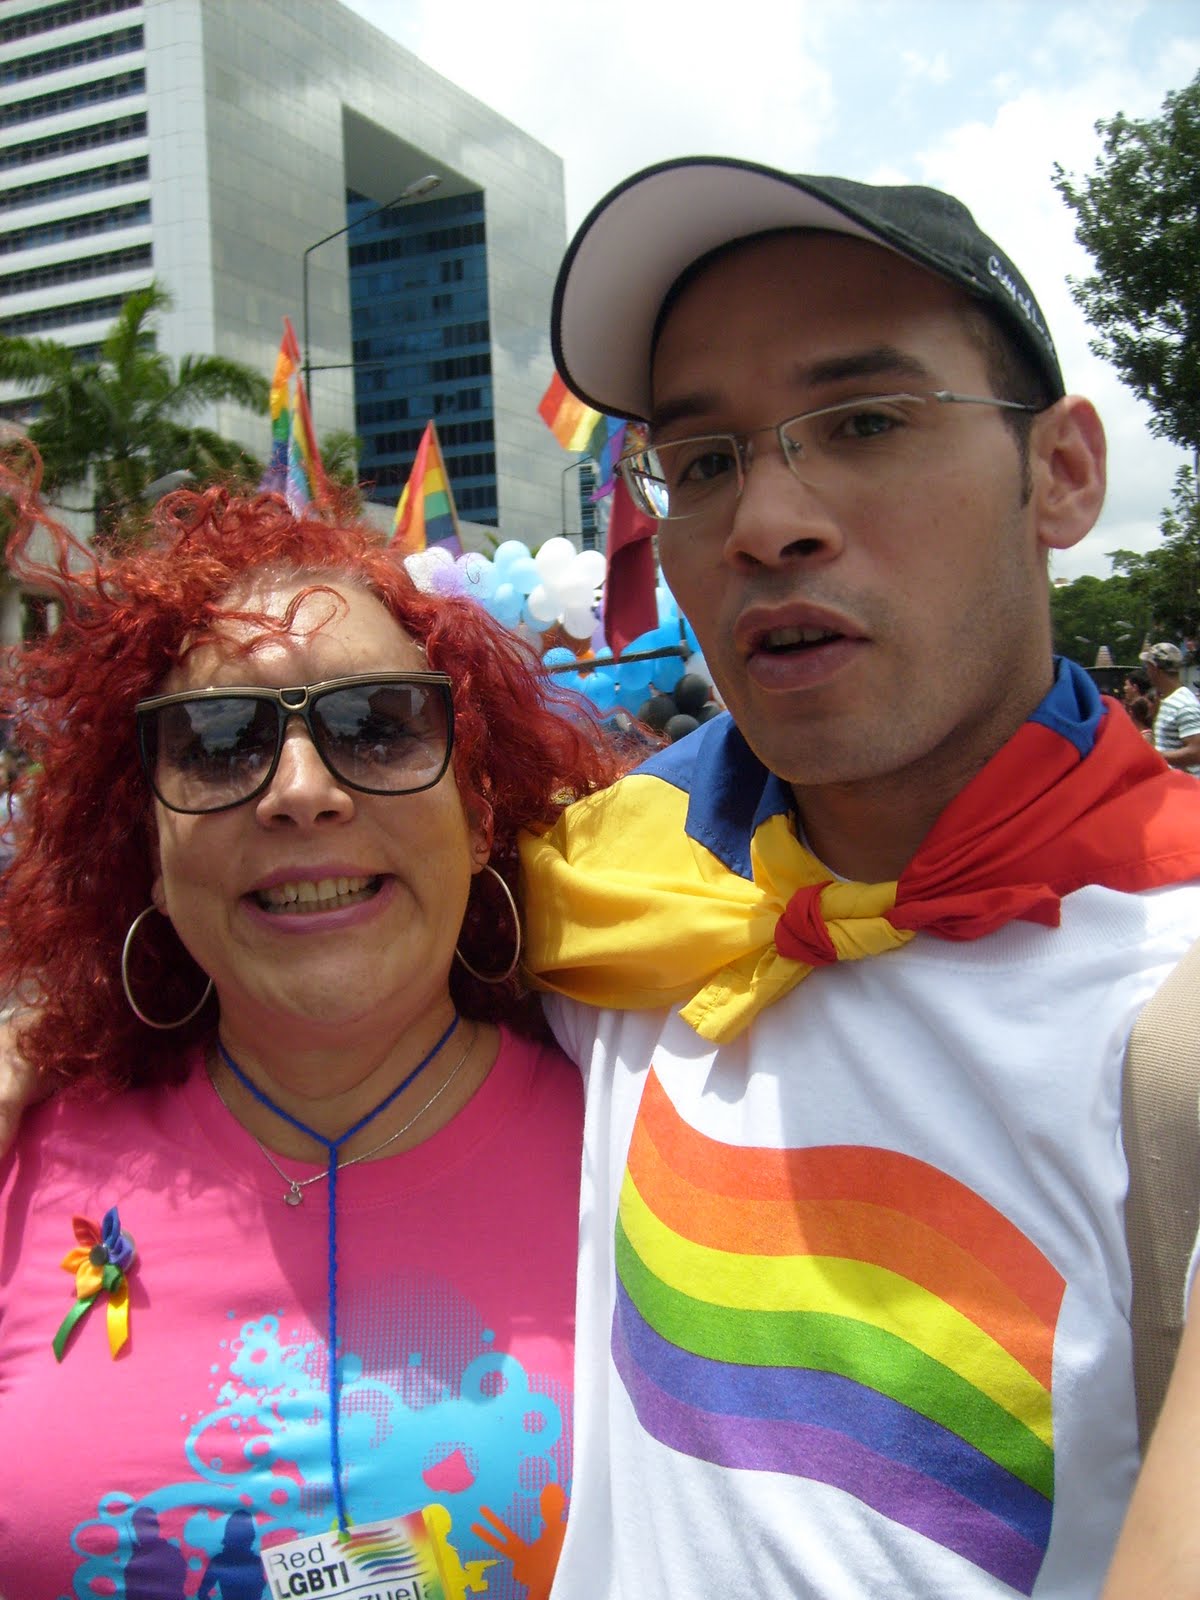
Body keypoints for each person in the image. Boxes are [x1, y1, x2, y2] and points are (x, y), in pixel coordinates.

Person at [520, 158, 1200, 1598]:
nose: (767, 522)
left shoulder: (1175, 975)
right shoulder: (607, 882)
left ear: (1062, 473)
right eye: (704, 461)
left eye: (868, 422)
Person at [0, 475, 622, 1598]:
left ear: (478, 809)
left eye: (377, 727)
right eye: (218, 743)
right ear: (147, 846)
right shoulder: (19, 1159)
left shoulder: (640, 1150)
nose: (299, 791)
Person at [1140, 641, 1200, 774]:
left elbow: (1197, 752)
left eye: (1147, 667)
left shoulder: (1184, 704)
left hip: (1185, 785)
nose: (1147, 672)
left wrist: (1154, 755)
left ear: (1154, 668)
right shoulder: (1167, 700)